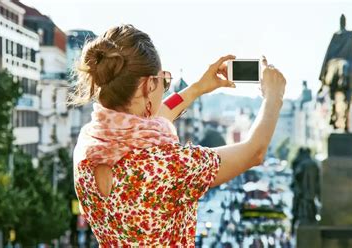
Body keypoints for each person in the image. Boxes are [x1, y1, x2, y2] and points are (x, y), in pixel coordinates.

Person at [68, 24, 286, 246]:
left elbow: (157, 116)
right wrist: (274, 97)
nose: (165, 88)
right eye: (164, 81)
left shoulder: (87, 148)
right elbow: (254, 152)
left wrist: (198, 88)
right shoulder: (167, 166)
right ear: (148, 85)